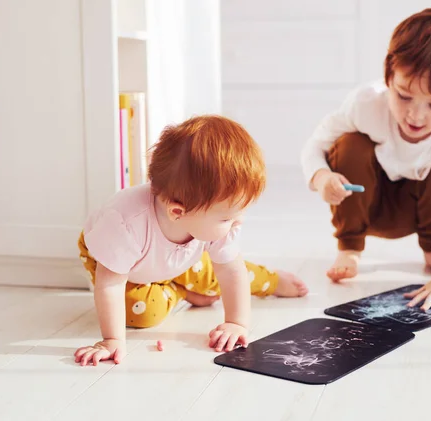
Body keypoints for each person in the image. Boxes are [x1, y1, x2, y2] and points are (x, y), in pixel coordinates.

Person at [75, 115, 308, 366]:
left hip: (177, 258)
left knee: (217, 275)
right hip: (124, 268)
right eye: (228, 218)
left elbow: (231, 272)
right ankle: (180, 291)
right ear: (178, 212)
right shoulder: (125, 224)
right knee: (141, 312)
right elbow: (109, 284)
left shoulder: (207, 220)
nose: (238, 222)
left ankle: (271, 280)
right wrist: (112, 341)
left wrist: (236, 323)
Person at [300, 8, 431, 312]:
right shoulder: (365, 104)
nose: (416, 115)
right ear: (389, 78)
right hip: (366, 202)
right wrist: (321, 178)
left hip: (418, 209)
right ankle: (350, 247)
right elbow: (314, 146)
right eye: (403, 96)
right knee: (350, 145)